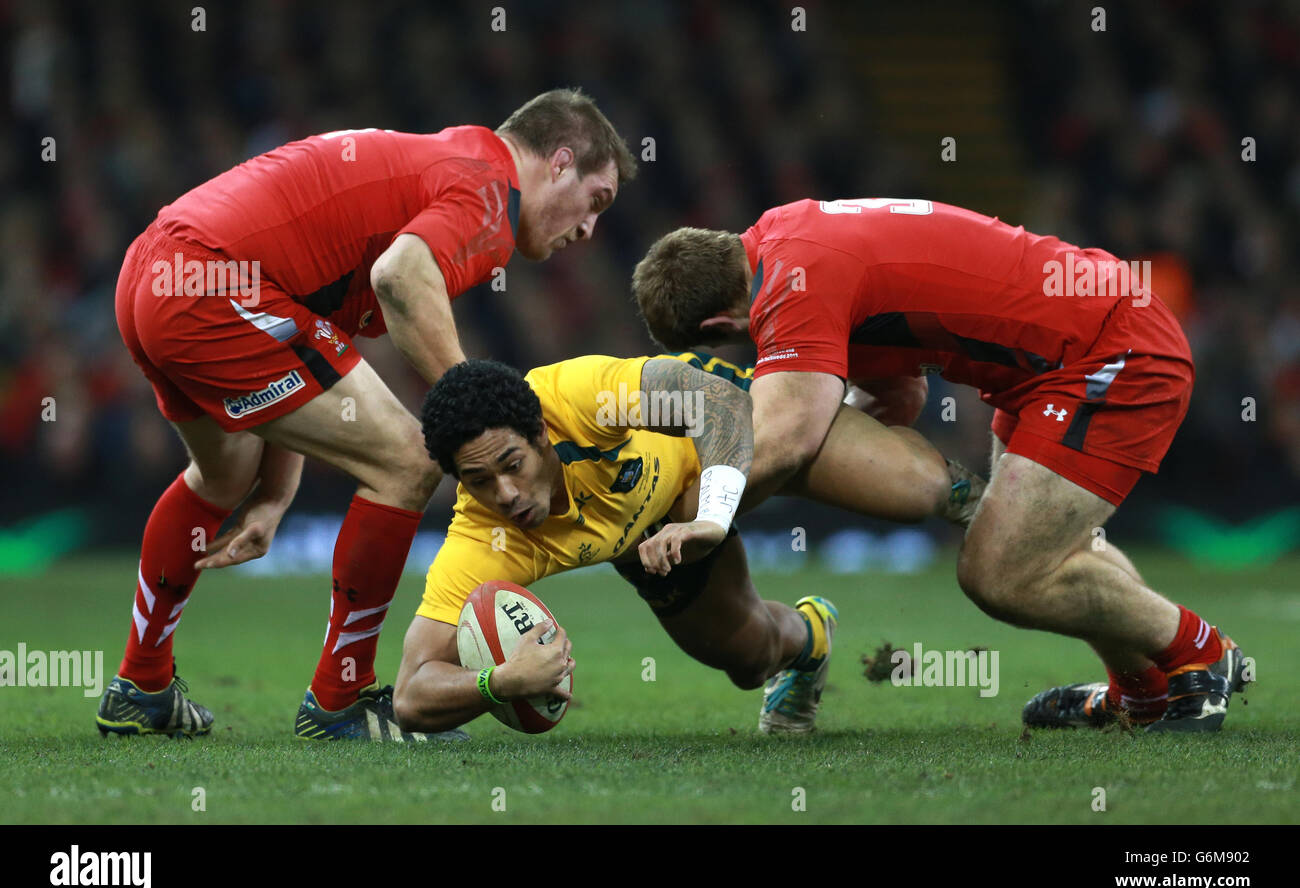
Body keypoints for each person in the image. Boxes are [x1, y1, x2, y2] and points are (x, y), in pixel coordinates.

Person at [100, 89, 637, 742]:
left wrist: (274, 492)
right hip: (216, 284)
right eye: (596, 201)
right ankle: (339, 699)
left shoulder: (450, 163)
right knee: (409, 461)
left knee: (222, 475)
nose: (588, 230)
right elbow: (401, 275)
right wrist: (484, 423)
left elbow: (306, 328)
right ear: (557, 163)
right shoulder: (489, 190)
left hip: (157, 278)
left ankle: (141, 685)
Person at [633, 197, 1248, 732]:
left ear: (717, 325)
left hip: (1106, 352)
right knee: (1047, 548)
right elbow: (900, 397)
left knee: (999, 573)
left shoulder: (791, 290)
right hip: (1056, 356)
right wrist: (858, 454)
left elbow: (783, 443)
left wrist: (689, 517)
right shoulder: (784, 235)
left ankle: (1201, 651)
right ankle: (1142, 693)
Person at [393, 354, 839, 736]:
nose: (505, 494)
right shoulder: (482, 536)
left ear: (540, 432)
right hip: (651, 539)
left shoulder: (576, 398)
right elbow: (410, 697)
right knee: (750, 661)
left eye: (512, 464)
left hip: (725, 427)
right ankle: (812, 634)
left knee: (908, 488)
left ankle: (856, 386)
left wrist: (709, 516)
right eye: (479, 481)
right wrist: (500, 681)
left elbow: (718, 405)